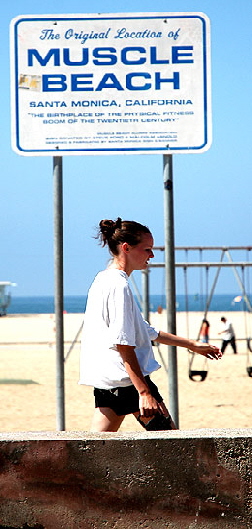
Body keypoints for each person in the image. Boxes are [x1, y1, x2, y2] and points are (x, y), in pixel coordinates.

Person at [79, 218, 222, 432]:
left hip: (107, 383)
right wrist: (144, 392)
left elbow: (146, 331)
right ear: (126, 248)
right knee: (173, 446)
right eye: (147, 249)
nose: (152, 256)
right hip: (129, 384)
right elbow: (123, 344)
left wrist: (192, 345)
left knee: (93, 450)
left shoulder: (102, 280)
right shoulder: (119, 286)